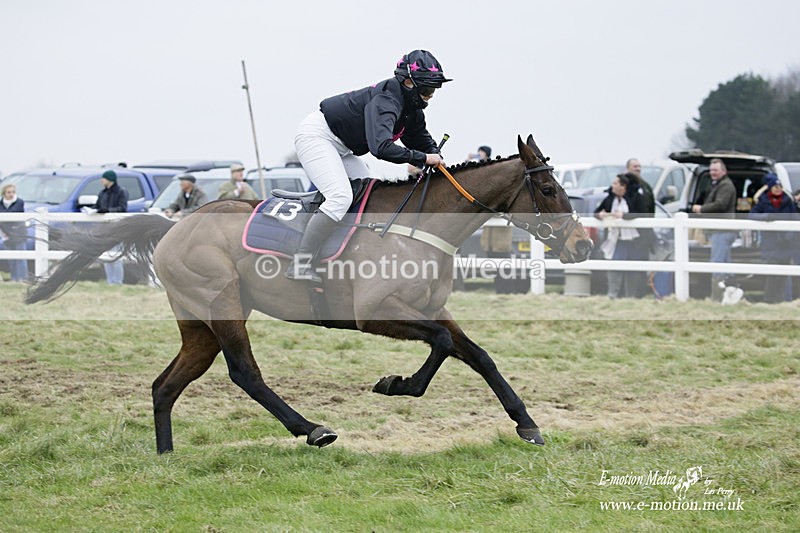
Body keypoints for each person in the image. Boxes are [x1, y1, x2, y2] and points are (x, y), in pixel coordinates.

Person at [287, 49, 451, 282]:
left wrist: (434, 153)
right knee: (340, 197)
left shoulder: (410, 107)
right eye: (426, 90)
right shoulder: (386, 101)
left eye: (434, 90)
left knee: (369, 191)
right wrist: (423, 159)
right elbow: (381, 147)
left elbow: (420, 137)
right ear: (407, 82)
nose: (430, 96)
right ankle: (300, 263)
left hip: (343, 147)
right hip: (318, 137)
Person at [595, 173, 649, 298]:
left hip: (635, 241)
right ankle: (612, 295)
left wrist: (624, 216)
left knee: (633, 271)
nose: (612, 186)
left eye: (615, 183)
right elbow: (597, 211)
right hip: (617, 240)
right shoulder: (610, 198)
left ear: (623, 186)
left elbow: (643, 214)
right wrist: (600, 215)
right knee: (614, 268)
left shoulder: (636, 197)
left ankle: (631, 297)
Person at [691, 158, 736, 300]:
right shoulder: (717, 185)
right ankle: (729, 296)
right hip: (718, 231)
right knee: (725, 265)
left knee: (718, 265)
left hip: (722, 231)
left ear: (724, 171)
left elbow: (720, 205)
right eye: (711, 170)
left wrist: (701, 209)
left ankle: (717, 298)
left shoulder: (726, 186)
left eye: (716, 170)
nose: (713, 173)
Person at [748, 173, 798, 303]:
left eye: (779, 186)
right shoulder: (764, 201)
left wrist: (790, 234)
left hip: (787, 242)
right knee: (773, 272)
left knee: (783, 271)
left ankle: (781, 299)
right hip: (771, 242)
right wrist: (766, 217)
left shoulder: (788, 201)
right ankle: (769, 299)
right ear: (770, 188)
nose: (778, 188)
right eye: (775, 186)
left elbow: (795, 218)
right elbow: (752, 215)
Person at [83, 170, 128, 285]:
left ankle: (118, 282)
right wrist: (91, 210)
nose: (102, 180)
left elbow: (122, 208)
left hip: (116, 227)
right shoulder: (102, 193)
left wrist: (107, 211)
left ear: (109, 179)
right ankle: (110, 281)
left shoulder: (121, 192)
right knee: (106, 255)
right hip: (104, 228)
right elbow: (98, 206)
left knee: (116, 255)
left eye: (104, 178)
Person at [0, 182, 29, 282]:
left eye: (13, 192)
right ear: (4, 193)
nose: (11, 194)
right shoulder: (1, 203)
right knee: (11, 260)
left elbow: (12, 213)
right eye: (9, 192)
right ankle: (14, 279)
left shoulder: (19, 202)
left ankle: (22, 279)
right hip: (6, 234)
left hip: (19, 234)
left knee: (21, 259)